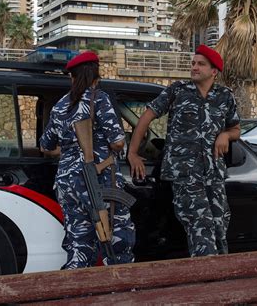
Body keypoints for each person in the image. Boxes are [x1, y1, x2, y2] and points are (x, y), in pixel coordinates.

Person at [128, 45, 240, 257]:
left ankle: (220, 278)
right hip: (184, 175)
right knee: (201, 226)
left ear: (213, 71)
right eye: (193, 63)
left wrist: (225, 135)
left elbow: (235, 129)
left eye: (200, 64)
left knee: (219, 225)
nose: (194, 67)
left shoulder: (225, 96)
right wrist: (132, 153)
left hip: (214, 173)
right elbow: (146, 117)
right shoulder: (177, 90)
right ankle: (208, 281)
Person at [40, 51, 135, 269]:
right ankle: (121, 292)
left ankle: (75, 293)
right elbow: (118, 142)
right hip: (97, 180)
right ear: (96, 76)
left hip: (67, 184)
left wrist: (68, 152)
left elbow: (45, 146)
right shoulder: (98, 98)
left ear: (72, 77)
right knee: (116, 241)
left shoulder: (60, 106)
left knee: (78, 246)